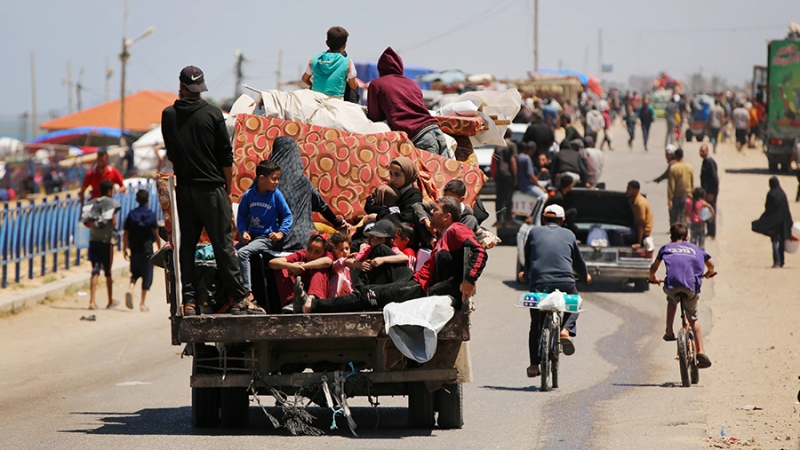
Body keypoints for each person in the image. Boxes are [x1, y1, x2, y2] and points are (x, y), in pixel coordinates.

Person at [162, 65, 260, 316]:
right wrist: (227, 188)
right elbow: (225, 157)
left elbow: (171, 154)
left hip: (184, 190)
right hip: (212, 189)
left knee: (187, 246)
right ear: (200, 87)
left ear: (182, 87)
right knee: (223, 245)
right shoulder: (213, 114)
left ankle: (190, 302)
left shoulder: (168, 115)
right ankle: (239, 298)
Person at [297, 197, 487, 313]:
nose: (431, 211)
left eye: (436, 210)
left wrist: (469, 279)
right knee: (379, 250)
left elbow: (479, 252)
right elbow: (418, 206)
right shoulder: (443, 233)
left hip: (421, 288)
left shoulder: (456, 229)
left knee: (369, 294)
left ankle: (314, 306)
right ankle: (360, 292)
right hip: (415, 278)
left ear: (447, 216)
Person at [519, 204, 592, 378]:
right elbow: (578, 262)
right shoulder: (569, 234)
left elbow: (529, 259)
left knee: (535, 323)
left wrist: (526, 275)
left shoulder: (534, 232)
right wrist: (586, 276)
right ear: (562, 220)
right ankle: (565, 330)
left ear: (544, 219)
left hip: (539, 284)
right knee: (575, 301)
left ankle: (534, 366)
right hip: (565, 283)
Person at [649, 223, 715, 369]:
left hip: (672, 286)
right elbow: (711, 265)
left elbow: (654, 267)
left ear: (671, 238)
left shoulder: (666, 248)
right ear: (687, 237)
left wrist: (653, 278)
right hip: (691, 287)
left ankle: (669, 331)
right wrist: (709, 273)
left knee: (672, 300)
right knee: (693, 317)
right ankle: (701, 351)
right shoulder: (696, 249)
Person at [268, 136, 349, 251]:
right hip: (305, 242)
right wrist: (337, 223)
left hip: (272, 242)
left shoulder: (265, 180)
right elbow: (322, 206)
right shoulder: (302, 181)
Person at [367, 47, 450, 157]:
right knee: (445, 173)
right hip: (436, 130)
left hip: (419, 137)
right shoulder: (412, 83)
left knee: (423, 174)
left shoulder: (377, 84)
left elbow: (374, 116)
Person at [235, 160, 293, 299]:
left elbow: (287, 215)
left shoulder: (276, 195)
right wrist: (243, 232)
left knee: (243, 253)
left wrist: (281, 232)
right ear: (262, 178)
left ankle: (247, 292)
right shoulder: (249, 195)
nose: (277, 182)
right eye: (274, 179)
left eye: (277, 178)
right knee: (231, 255)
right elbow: (241, 216)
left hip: (266, 238)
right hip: (252, 236)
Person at [270, 232, 333, 308]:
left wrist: (302, 266)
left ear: (324, 252)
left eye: (317, 252)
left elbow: (327, 262)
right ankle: (292, 301)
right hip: (299, 295)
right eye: (309, 249)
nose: (311, 255)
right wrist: (290, 266)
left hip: (317, 298)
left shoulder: (327, 256)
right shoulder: (302, 254)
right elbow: (272, 263)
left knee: (318, 269)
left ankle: (311, 301)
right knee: (281, 268)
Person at [122, 189, 160, 311]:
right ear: (148, 200)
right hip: (147, 250)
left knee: (135, 273)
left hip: (134, 249)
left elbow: (126, 233)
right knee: (147, 276)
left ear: (136, 200)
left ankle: (130, 289)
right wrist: (159, 248)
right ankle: (142, 304)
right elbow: (156, 233)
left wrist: (124, 249)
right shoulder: (151, 215)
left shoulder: (131, 214)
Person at [86, 180, 121, 310]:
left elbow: (86, 220)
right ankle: (110, 300)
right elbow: (113, 223)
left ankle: (92, 301)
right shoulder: (111, 204)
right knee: (108, 272)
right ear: (109, 191)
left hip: (93, 240)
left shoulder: (93, 203)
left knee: (95, 271)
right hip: (106, 242)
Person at [348, 219, 411, 287]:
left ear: (389, 240)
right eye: (373, 238)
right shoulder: (367, 250)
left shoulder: (392, 249)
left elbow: (405, 257)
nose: (375, 241)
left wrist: (383, 260)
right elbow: (348, 262)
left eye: (379, 239)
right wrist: (360, 264)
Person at [301, 26, 357, 99]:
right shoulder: (347, 61)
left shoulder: (314, 60)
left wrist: (313, 85)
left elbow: (304, 79)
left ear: (327, 43)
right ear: (345, 45)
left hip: (316, 98)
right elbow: (353, 86)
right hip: (336, 100)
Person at [365, 156, 423, 226]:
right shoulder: (387, 188)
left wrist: (378, 217)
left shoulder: (414, 195)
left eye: (397, 175)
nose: (393, 179)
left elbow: (406, 219)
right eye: (391, 174)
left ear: (408, 175)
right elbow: (369, 205)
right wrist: (383, 210)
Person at [752, 177, 794, 268]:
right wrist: (789, 222)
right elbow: (786, 209)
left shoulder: (771, 194)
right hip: (782, 222)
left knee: (774, 242)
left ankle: (777, 262)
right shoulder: (782, 194)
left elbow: (768, 208)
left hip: (773, 222)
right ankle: (781, 261)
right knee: (782, 242)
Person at [492, 129, 518, 227]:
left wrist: (494, 175)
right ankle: (508, 220)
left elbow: (493, 162)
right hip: (508, 174)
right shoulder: (512, 145)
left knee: (499, 198)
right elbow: (512, 161)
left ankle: (498, 220)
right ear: (511, 135)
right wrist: (515, 176)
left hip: (499, 174)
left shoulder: (498, 146)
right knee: (508, 197)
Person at [667, 148, 694, 226]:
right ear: (683, 155)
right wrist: (691, 194)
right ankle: (683, 234)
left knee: (674, 218)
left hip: (676, 196)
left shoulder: (673, 168)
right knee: (684, 217)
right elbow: (692, 182)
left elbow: (671, 185)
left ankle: (675, 234)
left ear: (675, 156)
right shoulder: (689, 167)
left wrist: (670, 199)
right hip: (687, 196)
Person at [625, 181, 654, 250]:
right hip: (636, 229)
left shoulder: (640, 204)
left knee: (618, 233)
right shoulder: (632, 200)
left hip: (643, 233)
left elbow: (641, 225)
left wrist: (639, 243)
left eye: (629, 189)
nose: (626, 191)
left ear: (636, 191)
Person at [699, 144, 719, 239]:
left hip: (710, 193)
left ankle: (712, 232)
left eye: (703, 151)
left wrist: (712, 192)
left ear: (707, 151)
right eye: (700, 151)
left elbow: (714, 179)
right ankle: (709, 231)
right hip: (706, 192)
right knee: (706, 211)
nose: (701, 153)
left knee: (711, 210)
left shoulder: (710, 162)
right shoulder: (705, 161)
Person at [328, 233, 353, 297]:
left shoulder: (348, 268)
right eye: (341, 250)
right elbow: (340, 263)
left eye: (347, 248)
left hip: (347, 297)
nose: (345, 252)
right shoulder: (334, 265)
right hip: (334, 299)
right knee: (338, 275)